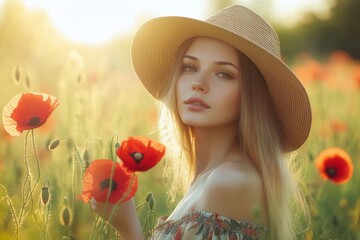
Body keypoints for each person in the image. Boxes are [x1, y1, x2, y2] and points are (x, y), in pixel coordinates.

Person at [90, 5, 312, 240]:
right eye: (190, 67)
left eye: (223, 74)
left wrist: (128, 227)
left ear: (251, 96)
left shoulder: (230, 182)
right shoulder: (207, 179)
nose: (199, 83)